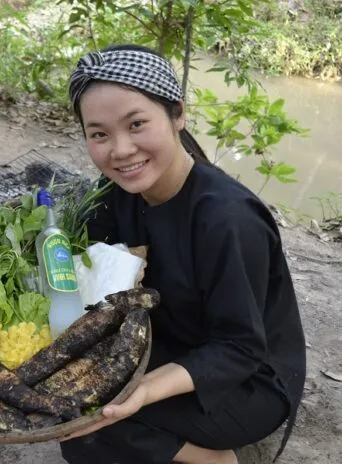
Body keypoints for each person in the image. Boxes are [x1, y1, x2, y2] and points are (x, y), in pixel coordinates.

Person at [58, 44, 307, 464]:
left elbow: (241, 348)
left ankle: (213, 458)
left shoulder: (228, 219)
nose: (120, 150)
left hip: (246, 378)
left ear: (177, 115)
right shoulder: (112, 196)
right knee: (69, 414)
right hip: (167, 338)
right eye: (99, 134)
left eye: (136, 124)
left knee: (93, 425)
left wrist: (144, 390)